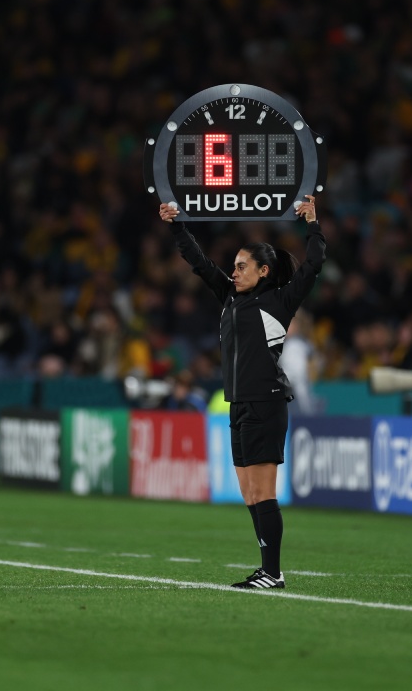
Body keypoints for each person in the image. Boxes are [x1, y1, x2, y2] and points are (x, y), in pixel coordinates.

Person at [162, 193, 324, 590]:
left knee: (263, 492)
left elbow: (315, 264)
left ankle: (273, 571)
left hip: (266, 403)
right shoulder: (230, 299)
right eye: (233, 266)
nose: (233, 272)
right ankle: (268, 569)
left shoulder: (280, 302)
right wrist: (177, 225)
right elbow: (199, 263)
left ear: (264, 271)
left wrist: (313, 224)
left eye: (241, 266)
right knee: (249, 494)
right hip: (238, 404)